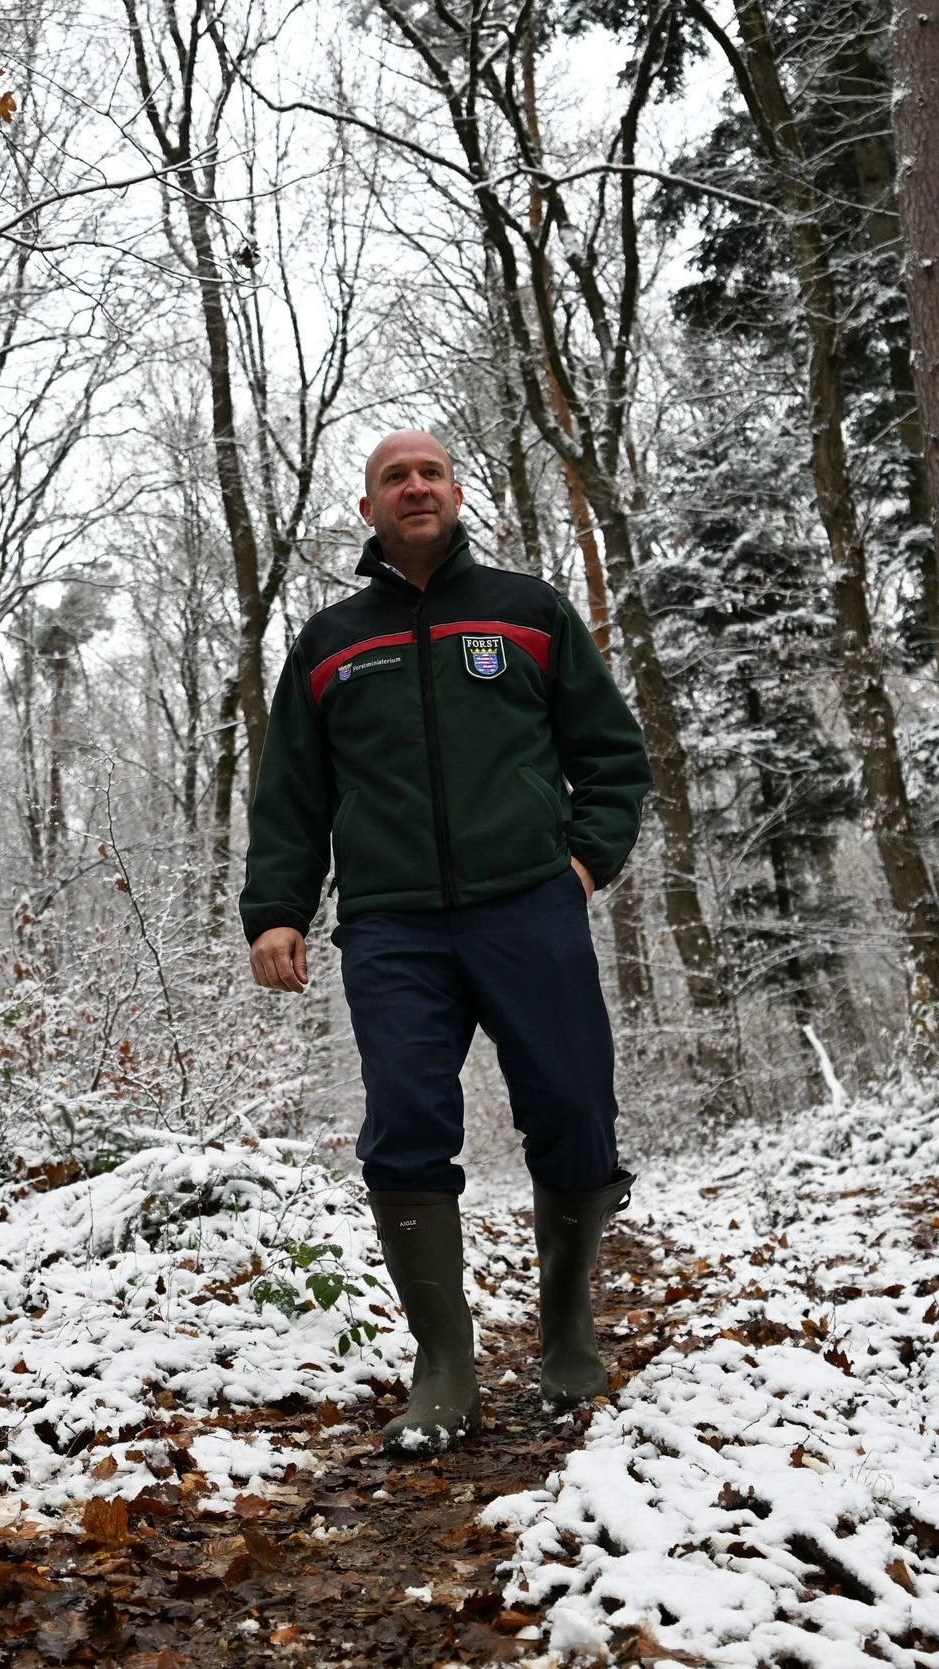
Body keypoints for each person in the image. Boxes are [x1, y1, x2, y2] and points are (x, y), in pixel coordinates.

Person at [239, 429, 651, 1453]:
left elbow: (612, 755)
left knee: (572, 1108)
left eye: (429, 473)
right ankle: (445, 1366)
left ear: (457, 493)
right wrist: (278, 910)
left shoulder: (530, 612)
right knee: (408, 1123)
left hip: (529, 907)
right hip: (391, 926)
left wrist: (585, 864)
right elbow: (293, 792)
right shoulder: (331, 640)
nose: (414, 487)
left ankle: (565, 1331)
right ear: (369, 508)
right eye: (394, 477)